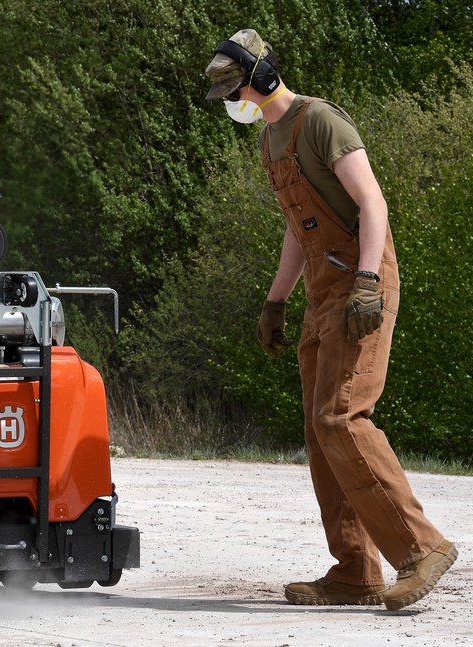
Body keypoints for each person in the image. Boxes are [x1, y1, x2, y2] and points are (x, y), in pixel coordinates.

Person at [205, 29, 457, 610]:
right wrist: (276, 301)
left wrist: (368, 282)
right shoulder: (271, 139)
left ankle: (422, 548)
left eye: (234, 87)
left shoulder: (320, 121)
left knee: (343, 415)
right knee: (322, 432)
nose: (230, 100)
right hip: (323, 291)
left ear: (263, 77)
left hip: (360, 285)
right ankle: (355, 571)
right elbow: (301, 229)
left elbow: (372, 202)